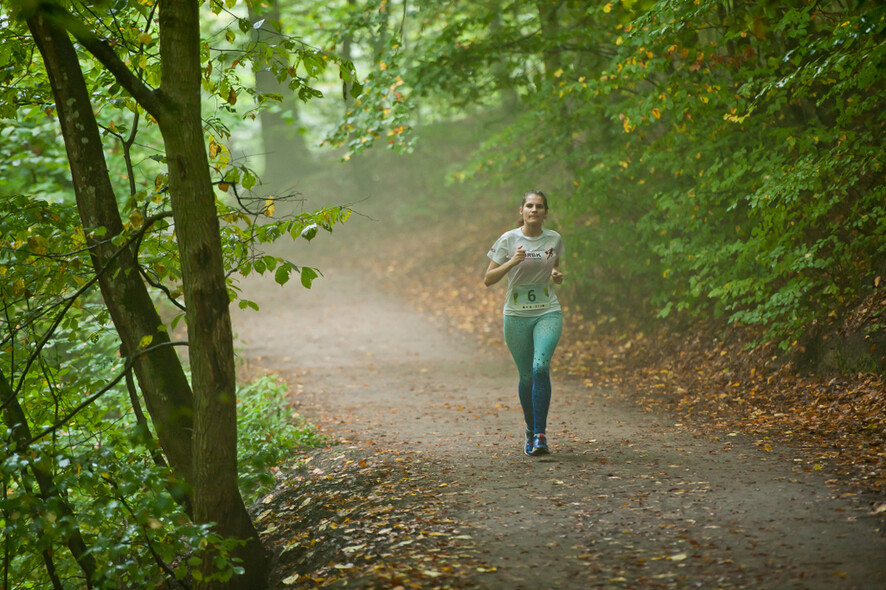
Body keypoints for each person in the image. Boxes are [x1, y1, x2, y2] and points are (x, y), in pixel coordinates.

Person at [484, 190, 564, 456]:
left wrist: (555, 273)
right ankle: (530, 429)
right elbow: (488, 279)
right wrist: (511, 262)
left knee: (540, 367)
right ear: (521, 211)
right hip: (516, 314)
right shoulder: (508, 239)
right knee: (527, 375)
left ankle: (541, 435)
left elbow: (553, 265)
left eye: (539, 206)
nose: (534, 210)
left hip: (547, 311)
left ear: (545, 212)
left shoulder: (554, 238)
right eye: (529, 205)